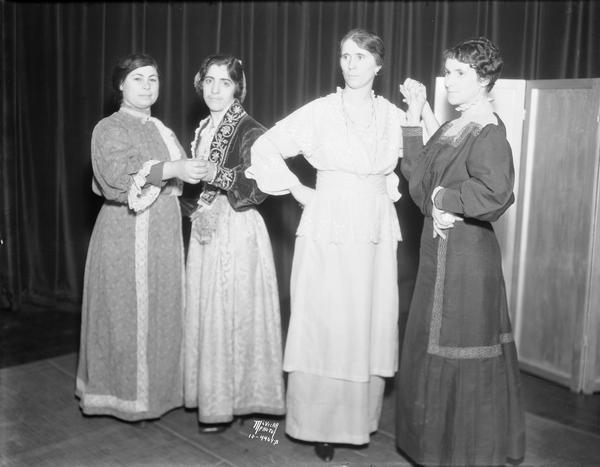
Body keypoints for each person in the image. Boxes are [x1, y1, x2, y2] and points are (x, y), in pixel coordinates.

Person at [246, 29, 437, 462]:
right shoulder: (321, 111)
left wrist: (418, 109)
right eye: (345, 56)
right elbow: (264, 147)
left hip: (372, 226)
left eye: (360, 57)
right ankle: (317, 424)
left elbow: (432, 155)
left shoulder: (392, 115)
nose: (350, 64)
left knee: (365, 317)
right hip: (328, 223)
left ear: (378, 65)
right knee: (326, 318)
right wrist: (297, 190)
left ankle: (359, 421)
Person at [396, 37, 526, 466]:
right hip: (439, 253)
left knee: (460, 343)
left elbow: (496, 193)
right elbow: (418, 180)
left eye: (459, 74)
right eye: (447, 71)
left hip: (469, 260)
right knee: (432, 343)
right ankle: (436, 449)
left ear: (484, 79)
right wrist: (413, 120)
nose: (448, 81)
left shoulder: (488, 130)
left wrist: (443, 200)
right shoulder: (457, 126)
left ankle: (462, 453)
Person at [76, 53, 207, 421]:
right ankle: (122, 397)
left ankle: (159, 395)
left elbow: (177, 184)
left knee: (161, 310)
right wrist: (174, 167)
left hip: (163, 233)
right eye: (138, 79)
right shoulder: (109, 128)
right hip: (124, 233)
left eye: (153, 79)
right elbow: (119, 179)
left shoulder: (160, 128)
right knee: (123, 313)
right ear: (120, 84)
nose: (147, 86)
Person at [182, 54, 285, 433]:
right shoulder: (205, 127)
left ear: (238, 88)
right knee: (212, 312)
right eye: (209, 80)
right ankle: (217, 399)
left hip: (238, 226)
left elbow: (259, 187)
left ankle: (241, 400)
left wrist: (217, 174)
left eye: (224, 82)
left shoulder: (249, 129)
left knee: (237, 311)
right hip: (209, 225)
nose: (214, 89)